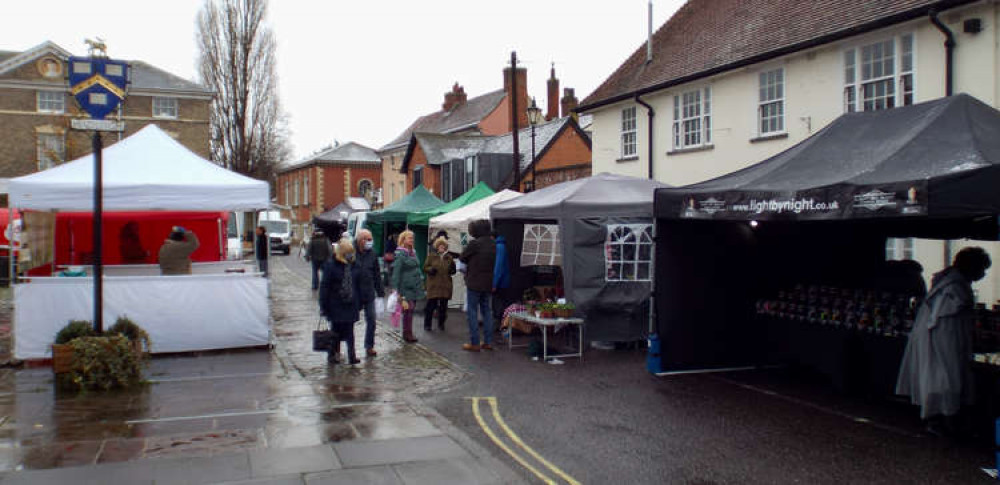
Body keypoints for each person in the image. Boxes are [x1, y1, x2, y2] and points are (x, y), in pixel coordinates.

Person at [896, 246, 992, 436]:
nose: (983, 274)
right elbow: (946, 319)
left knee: (942, 378)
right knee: (947, 379)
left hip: (942, 339)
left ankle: (943, 418)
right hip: (945, 341)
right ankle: (943, 419)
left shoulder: (946, 282)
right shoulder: (955, 288)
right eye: (981, 269)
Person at [319, 238, 362, 365]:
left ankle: (352, 356)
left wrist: (360, 302)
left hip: (350, 303)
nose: (350, 254)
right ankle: (333, 354)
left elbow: (358, 285)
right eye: (348, 252)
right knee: (335, 331)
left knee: (350, 331)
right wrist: (323, 305)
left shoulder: (354, 265)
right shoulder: (331, 265)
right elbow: (325, 287)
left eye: (351, 252)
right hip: (336, 304)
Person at [459, 219, 496, 351]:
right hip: (487, 282)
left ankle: (475, 343)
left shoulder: (475, 244)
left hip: (474, 282)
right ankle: (488, 342)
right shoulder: (493, 244)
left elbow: (462, 257)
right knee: (487, 312)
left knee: (472, 312)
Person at [354, 229, 384, 356]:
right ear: (361, 240)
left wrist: (380, 292)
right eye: (369, 239)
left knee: (371, 320)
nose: (370, 242)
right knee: (348, 321)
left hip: (369, 293)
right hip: (354, 294)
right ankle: (347, 346)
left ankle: (369, 346)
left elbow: (377, 274)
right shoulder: (351, 252)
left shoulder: (372, 254)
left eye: (371, 239)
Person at [390, 230, 424, 343]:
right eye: (409, 238)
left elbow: (417, 267)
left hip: (414, 286)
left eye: (412, 238)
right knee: (408, 309)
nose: (412, 240)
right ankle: (407, 333)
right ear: (403, 239)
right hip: (405, 287)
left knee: (410, 310)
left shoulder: (413, 252)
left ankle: (408, 332)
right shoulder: (400, 254)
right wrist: (395, 289)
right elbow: (396, 272)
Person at [423, 236, 456, 332]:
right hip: (433, 285)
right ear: (437, 247)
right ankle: (427, 325)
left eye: (443, 246)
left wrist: (452, 270)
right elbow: (425, 267)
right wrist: (430, 270)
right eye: (440, 246)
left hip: (445, 285)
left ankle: (441, 324)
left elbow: (453, 270)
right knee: (430, 306)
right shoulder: (431, 256)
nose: (442, 247)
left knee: (443, 307)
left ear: (445, 247)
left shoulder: (449, 257)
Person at [492, 229, 512, 322]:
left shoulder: (499, 247)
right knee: (502, 302)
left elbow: (498, 267)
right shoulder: (501, 246)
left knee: (499, 303)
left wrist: (494, 283)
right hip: (504, 280)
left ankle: (502, 324)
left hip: (501, 282)